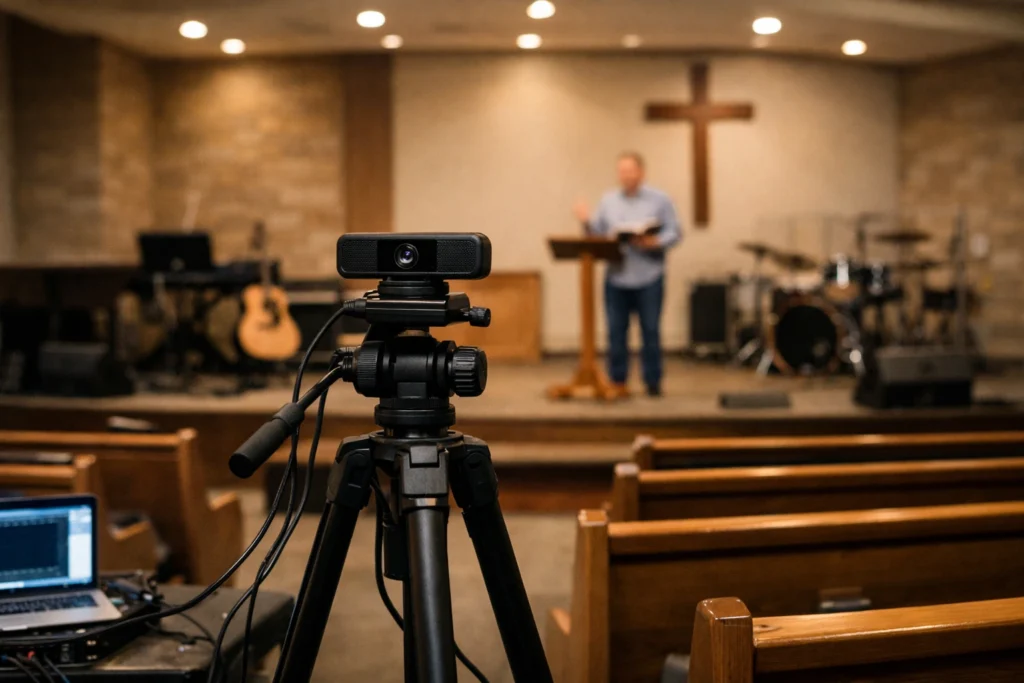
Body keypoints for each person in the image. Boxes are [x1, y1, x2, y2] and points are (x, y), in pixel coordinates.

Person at [573, 152, 682, 397]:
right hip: (617, 276)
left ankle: (653, 382)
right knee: (615, 331)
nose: (626, 175)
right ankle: (617, 381)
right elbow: (598, 235)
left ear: (641, 172)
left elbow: (675, 232)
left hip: (649, 276)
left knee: (650, 330)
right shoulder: (609, 200)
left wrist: (655, 241)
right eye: (622, 171)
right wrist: (586, 221)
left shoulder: (660, 200)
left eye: (630, 170)